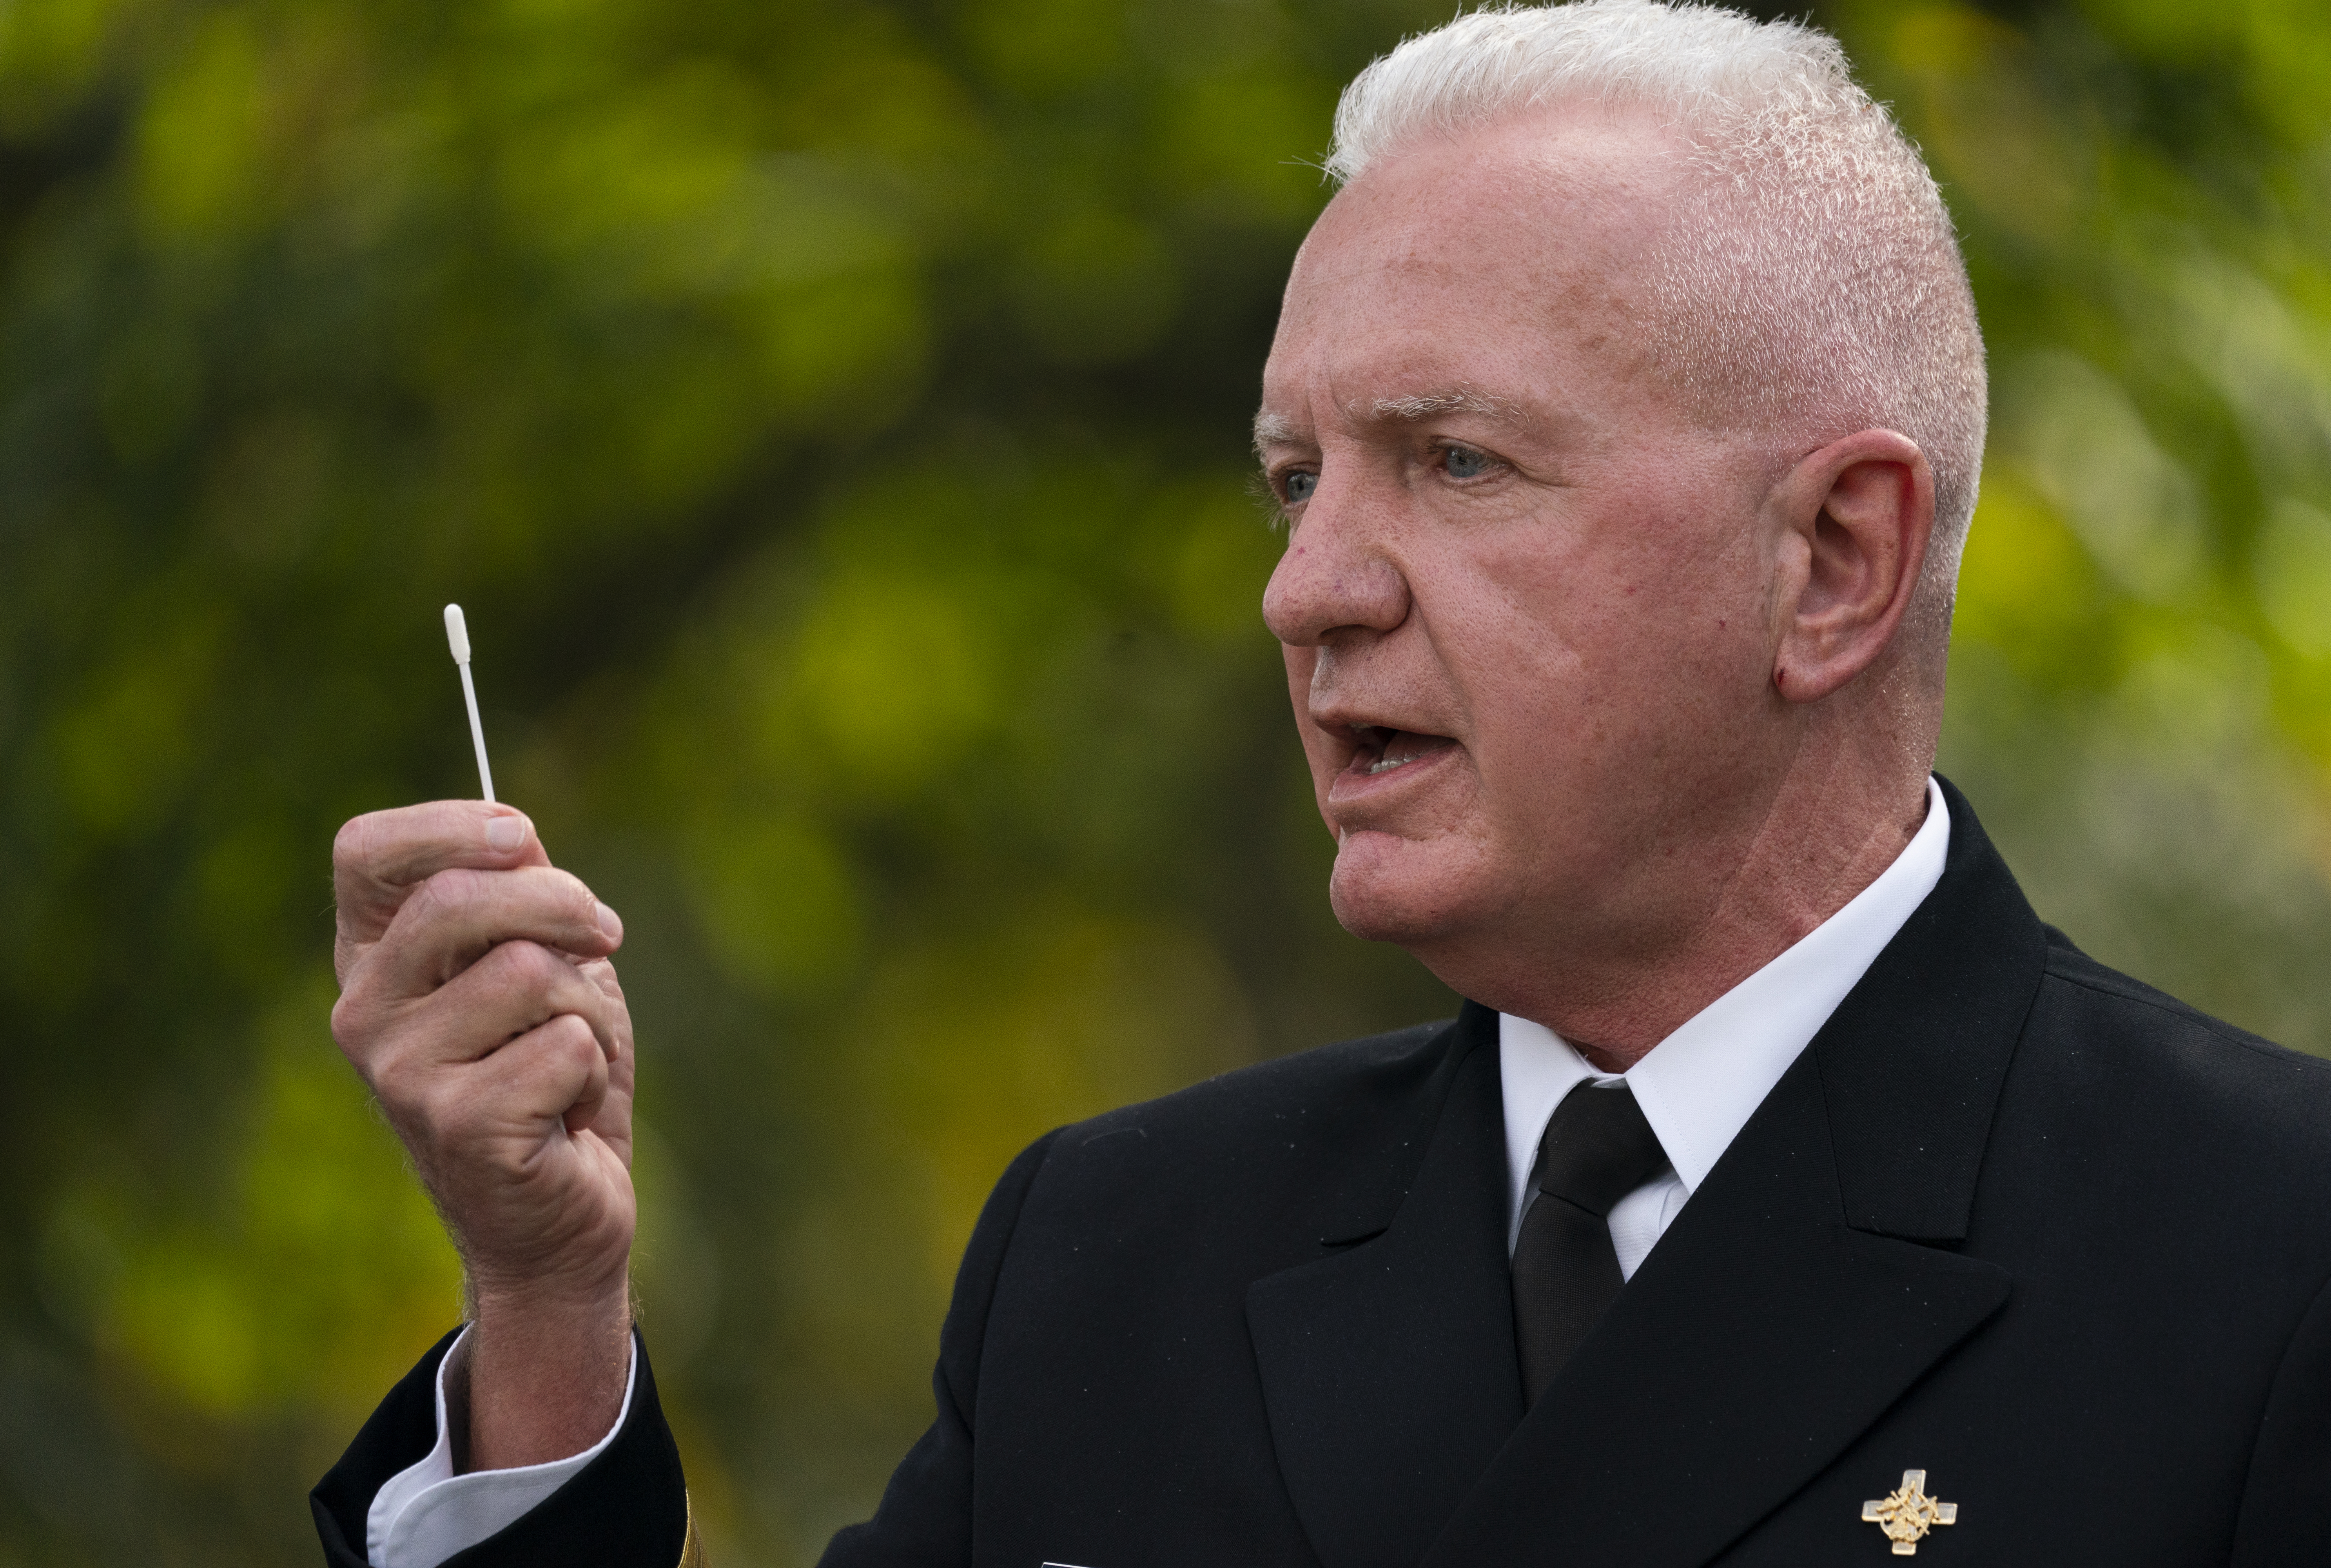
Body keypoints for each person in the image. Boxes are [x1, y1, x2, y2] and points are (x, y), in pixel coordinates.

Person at [311, 4, 2331, 1564]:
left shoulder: (2262, 1263)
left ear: (1832, 564)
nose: (1307, 589)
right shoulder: (1116, 1257)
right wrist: (553, 1307)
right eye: (1296, 479)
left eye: (1457, 462)